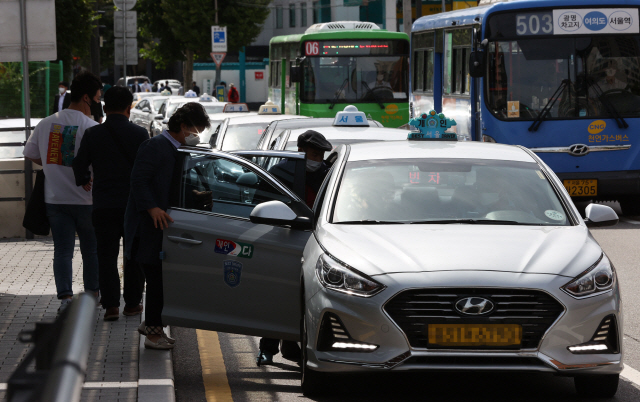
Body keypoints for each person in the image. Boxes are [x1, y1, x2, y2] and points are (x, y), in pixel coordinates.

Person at [125, 102, 211, 349]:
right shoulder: (155, 146)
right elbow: (138, 181)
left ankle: (153, 325)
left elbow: (170, 187)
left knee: (162, 280)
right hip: (148, 228)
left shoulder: (178, 150)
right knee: (156, 281)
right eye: (195, 131)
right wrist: (152, 207)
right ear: (182, 126)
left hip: (165, 229)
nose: (196, 137)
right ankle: (153, 333)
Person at [23, 72, 102, 312]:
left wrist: (51, 165)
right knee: (91, 250)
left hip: (54, 198)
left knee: (63, 250)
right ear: (87, 98)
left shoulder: (47, 123)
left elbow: (30, 153)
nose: (98, 104)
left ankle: (66, 300)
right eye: (98, 99)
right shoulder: (91, 127)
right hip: (86, 199)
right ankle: (91, 296)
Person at [73, 86, 149, 321]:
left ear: (105, 108)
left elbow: (79, 164)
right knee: (133, 255)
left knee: (105, 255)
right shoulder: (140, 134)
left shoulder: (93, 134)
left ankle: (111, 306)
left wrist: (85, 180)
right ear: (129, 108)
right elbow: (148, 170)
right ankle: (133, 304)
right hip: (132, 206)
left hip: (103, 205)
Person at [257, 130, 332, 365]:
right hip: (284, 240)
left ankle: (296, 344)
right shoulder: (279, 173)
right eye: (313, 153)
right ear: (301, 151)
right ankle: (267, 348)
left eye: (321, 154)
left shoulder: (327, 175)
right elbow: (260, 204)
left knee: (308, 298)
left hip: (317, 243)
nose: (317, 159)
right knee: (279, 295)